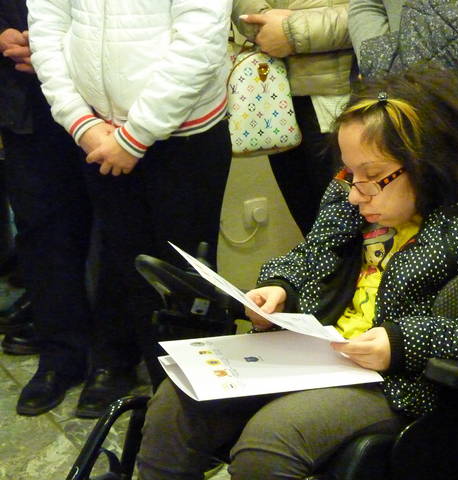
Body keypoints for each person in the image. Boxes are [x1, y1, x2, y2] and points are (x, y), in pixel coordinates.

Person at [136, 66, 458, 480]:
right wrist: (281, 287)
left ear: (427, 164)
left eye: (372, 177)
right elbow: (312, 254)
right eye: (349, 173)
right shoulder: (356, 188)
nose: (355, 194)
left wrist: (406, 342)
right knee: (177, 401)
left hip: (403, 377)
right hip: (324, 352)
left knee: (270, 443)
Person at [26, 0, 233, 417]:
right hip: (100, 132)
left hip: (183, 135)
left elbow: (200, 40)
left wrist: (135, 136)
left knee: (185, 283)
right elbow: (47, 29)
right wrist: (79, 122)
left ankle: (203, 418)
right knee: (132, 275)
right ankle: (163, 408)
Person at [0, 0, 93, 415]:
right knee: (42, 231)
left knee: (118, 232)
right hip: (23, 94)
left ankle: (116, 358)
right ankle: (61, 356)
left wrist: (58, 50)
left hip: (109, 92)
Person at [232, 0, 352, 236]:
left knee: (354, 230)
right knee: (311, 230)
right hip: (276, 94)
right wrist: (264, 25)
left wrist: (292, 31)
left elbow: (381, 13)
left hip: (340, 93)